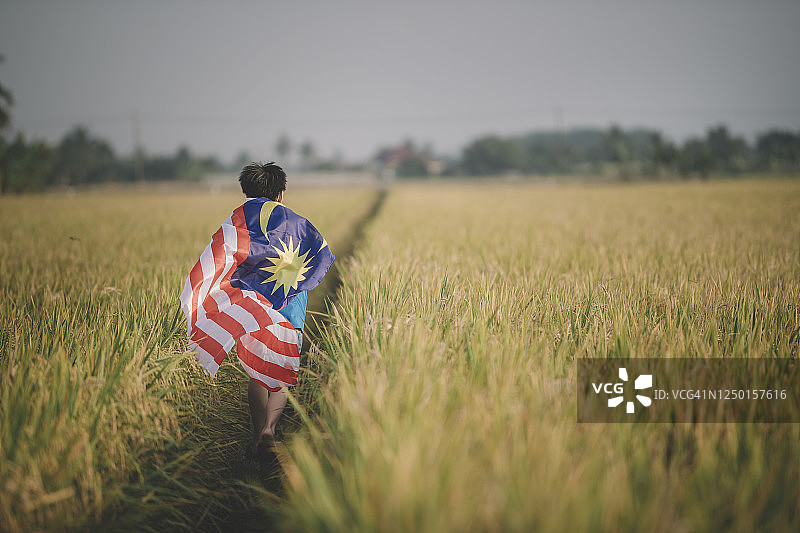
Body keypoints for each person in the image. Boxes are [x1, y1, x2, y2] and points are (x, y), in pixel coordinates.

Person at [180, 161, 334, 459]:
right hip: (290, 308)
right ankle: (270, 432)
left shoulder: (237, 221)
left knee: (257, 373)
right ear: (280, 193)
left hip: (252, 309)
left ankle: (257, 431)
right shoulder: (296, 222)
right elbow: (320, 252)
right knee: (283, 370)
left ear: (246, 190)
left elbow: (219, 258)